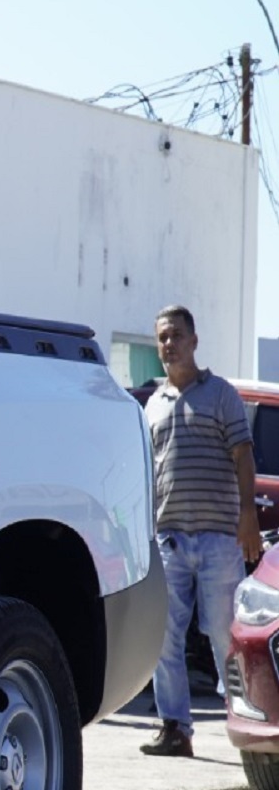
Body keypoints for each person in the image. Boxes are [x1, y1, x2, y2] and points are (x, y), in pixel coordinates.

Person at [140, 304, 262, 757]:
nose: (168, 345)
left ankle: (246, 724)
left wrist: (248, 516)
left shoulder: (222, 395)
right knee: (163, 635)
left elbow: (244, 455)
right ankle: (175, 728)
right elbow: (148, 471)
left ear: (194, 341)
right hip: (169, 538)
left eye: (175, 336)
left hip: (218, 538)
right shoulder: (153, 405)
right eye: (161, 338)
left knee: (220, 632)